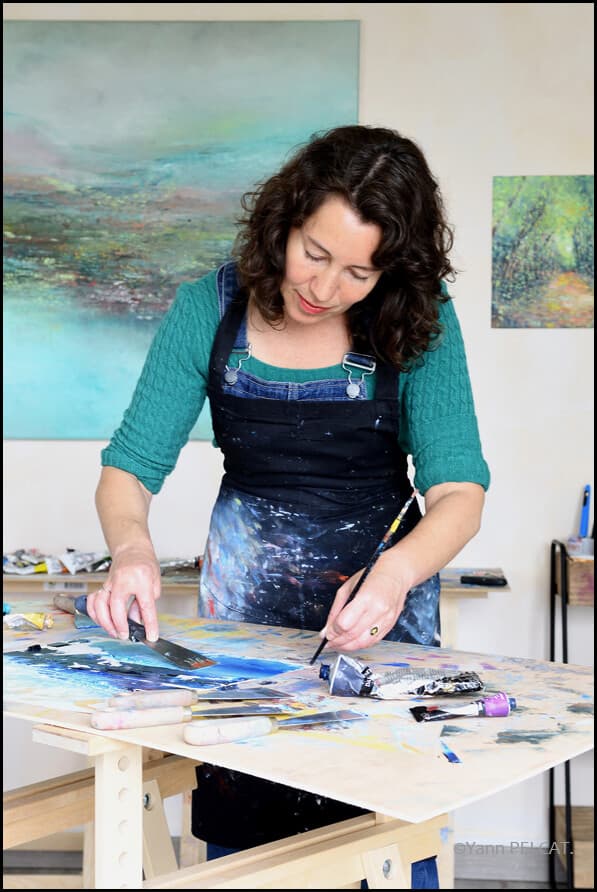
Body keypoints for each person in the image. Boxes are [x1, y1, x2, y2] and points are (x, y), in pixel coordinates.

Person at [87, 124, 490, 883]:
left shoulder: (416, 317)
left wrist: (394, 576)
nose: (325, 289)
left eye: (359, 272)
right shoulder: (206, 310)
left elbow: (459, 496)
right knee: (248, 840)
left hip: (379, 613)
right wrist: (132, 551)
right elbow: (128, 471)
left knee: (388, 821)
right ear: (285, 220)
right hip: (244, 611)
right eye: (314, 252)